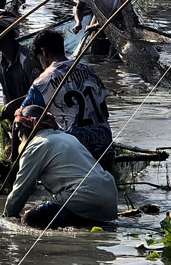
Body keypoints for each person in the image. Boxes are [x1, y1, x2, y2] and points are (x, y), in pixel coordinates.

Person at [4, 105, 118, 229]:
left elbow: (22, 188)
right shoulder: (68, 137)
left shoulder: (37, 145)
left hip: (83, 196)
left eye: (18, 131)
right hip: (110, 198)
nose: (19, 137)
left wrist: (7, 217)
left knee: (30, 217)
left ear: (24, 128)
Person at [23, 30, 114, 169]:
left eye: (39, 60)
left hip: (76, 150)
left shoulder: (42, 82)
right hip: (105, 142)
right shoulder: (89, 70)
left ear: (44, 52)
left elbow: (24, 113)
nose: (41, 65)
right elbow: (104, 113)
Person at [0, 10, 41, 103]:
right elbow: (5, 93)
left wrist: (13, 105)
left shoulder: (28, 60)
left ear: (4, 32)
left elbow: (40, 92)